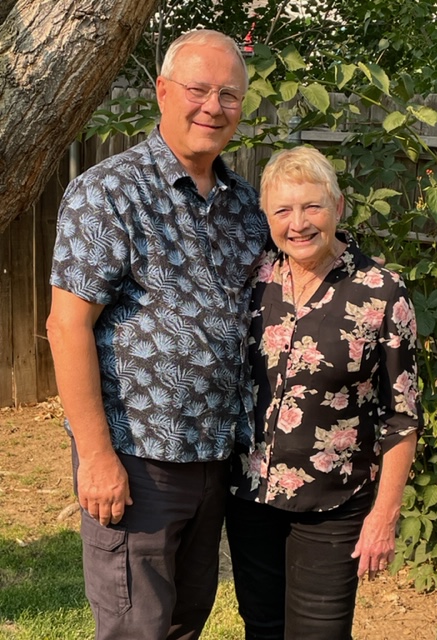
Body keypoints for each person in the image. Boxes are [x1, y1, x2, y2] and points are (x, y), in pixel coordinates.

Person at [46, 29, 268, 640]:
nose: (213, 107)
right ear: (163, 92)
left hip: (214, 460)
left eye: (229, 94)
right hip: (137, 460)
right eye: (199, 89)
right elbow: (66, 325)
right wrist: (97, 458)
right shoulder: (110, 191)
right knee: (134, 627)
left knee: (183, 623)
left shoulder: (245, 205)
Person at [226, 146, 423, 640]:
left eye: (312, 206)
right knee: (261, 628)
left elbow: (402, 417)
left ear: (338, 207)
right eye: (282, 210)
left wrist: (384, 516)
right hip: (251, 497)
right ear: (266, 216)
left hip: (334, 502)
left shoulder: (382, 291)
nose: (298, 223)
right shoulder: (253, 280)